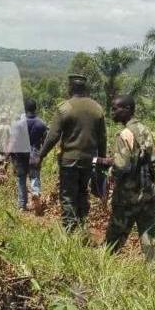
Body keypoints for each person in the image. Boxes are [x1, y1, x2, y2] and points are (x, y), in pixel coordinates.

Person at [38, 74, 106, 232]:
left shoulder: (64, 108)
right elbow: (102, 138)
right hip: (89, 161)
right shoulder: (97, 108)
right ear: (84, 88)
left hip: (69, 161)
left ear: (70, 88)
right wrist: (101, 162)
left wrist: (41, 155)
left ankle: (69, 232)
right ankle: (82, 228)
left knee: (68, 196)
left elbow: (53, 136)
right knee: (83, 193)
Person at [97, 95, 155, 260]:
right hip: (147, 194)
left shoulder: (125, 134)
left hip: (127, 198)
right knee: (149, 239)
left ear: (128, 109)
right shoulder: (145, 130)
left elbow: (122, 166)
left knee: (113, 240)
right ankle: (153, 275)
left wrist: (110, 172)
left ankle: (102, 269)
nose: (113, 112)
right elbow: (152, 159)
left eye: (116, 108)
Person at [10, 99, 49, 211]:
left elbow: (13, 142)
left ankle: (22, 205)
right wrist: (41, 155)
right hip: (34, 155)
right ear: (35, 108)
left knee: (21, 180)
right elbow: (46, 141)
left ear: (25, 109)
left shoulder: (17, 124)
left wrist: (10, 155)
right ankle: (35, 193)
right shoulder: (41, 124)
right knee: (34, 177)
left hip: (20, 156)